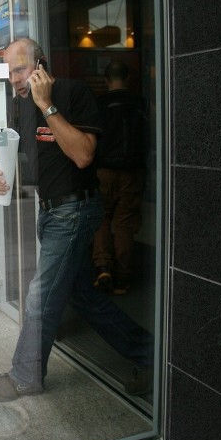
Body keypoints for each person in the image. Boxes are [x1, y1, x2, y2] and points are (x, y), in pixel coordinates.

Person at [0, 38, 153, 403]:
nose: (13, 78)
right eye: (8, 71)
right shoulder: (18, 105)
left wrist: (47, 104)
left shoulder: (72, 93)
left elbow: (83, 155)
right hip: (49, 211)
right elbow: (3, 145)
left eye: (20, 69)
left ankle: (24, 376)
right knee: (83, 296)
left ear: (40, 65)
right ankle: (152, 357)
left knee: (39, 295)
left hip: (75, 209)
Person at [92, 59, 148, 295]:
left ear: (106, 80)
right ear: (127, 79)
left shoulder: (99, 104)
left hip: (103, 171)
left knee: (102, 219)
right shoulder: (140, 103)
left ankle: (104, 267)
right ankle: (123, 279)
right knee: (124, 224)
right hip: (132, 172)